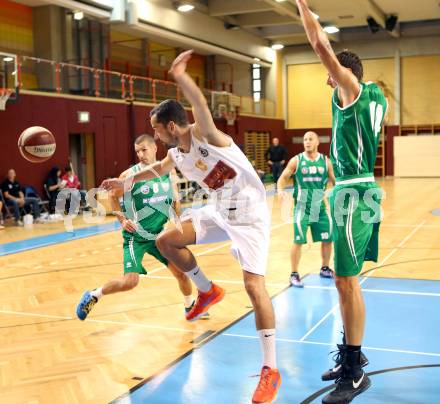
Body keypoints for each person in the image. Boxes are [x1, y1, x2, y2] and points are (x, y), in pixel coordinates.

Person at [102, 50, 281, 404]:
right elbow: (157, 170)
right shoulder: (177, 154)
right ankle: (207, 290)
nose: (154, 135)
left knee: (253, 286)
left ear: (171, 126)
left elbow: (198, 103)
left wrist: (181, 76)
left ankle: (271, 369)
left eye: (156, 128)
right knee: (168, 240)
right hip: (218, 211)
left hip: (249, 216)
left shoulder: (205, 135)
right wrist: (124, 183)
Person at [296, 1, 387, 402]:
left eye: (331, 78)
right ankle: (352, 354)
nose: (329, 84)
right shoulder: (375, 98)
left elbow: (319, 44)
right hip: (354, 190)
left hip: (354, 192)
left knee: (347, 282)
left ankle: (353, 372)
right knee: (343, 281)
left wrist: (302, 5)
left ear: (344, 75)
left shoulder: (352, 91)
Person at [76, 134, 207, 320]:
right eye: (137, 151)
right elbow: (113, 196)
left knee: (182, 273)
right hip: (135, 236)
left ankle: (189, 306)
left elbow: (175, 201)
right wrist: (122, 220)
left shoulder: (169, 172)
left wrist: (178, 223)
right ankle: (93, 295)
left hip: (160, 236)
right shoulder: (130, 175)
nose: (140, 154)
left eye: (144, 150)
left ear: (155, 149)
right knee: (130, 282)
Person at [277, 131, 335, 288]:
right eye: (305, 139)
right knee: (298, 241)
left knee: (328, 238)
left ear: (317, 142)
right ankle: (294, 274)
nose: (307, 142)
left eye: (310, 139)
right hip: (302, 208)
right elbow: (282, 178)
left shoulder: (326, 161)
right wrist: (280, 190)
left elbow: (335, 181)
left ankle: (324, 267)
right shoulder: (296, 160)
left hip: (320, 208)